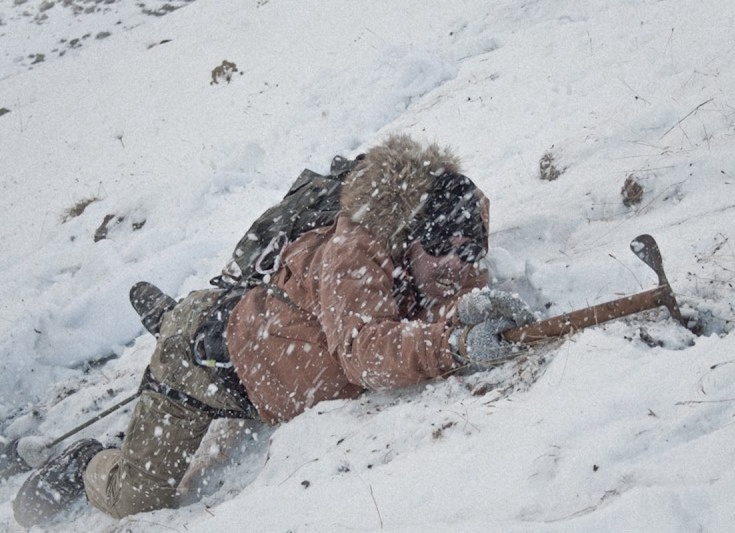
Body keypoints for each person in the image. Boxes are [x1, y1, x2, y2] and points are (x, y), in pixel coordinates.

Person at [13, 134, 534, 526]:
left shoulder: (443, 243)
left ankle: (178, 314)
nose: (458, 266)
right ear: (408, 240)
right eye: (442, 248)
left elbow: (427, 296)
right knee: (136, 500)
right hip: (204, 368)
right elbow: (364, 353)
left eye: (471, 251)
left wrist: (464, 313)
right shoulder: (352, 255)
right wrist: (456, 343)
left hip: (266, 347)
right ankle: (83, 464)